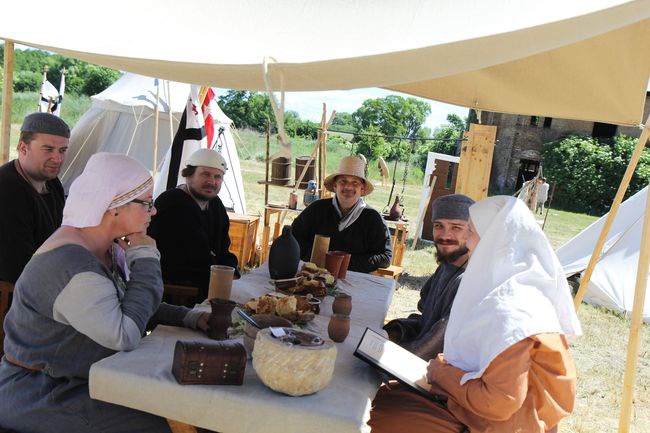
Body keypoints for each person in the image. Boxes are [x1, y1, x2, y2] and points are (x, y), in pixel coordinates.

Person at [0, 152, 210, 433]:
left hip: (73, 381)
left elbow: (127, 304)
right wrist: (146, 257)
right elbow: (123, 334)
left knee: (181, 405)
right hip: (41, 392)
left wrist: (189, 317)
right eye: (147, 203)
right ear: (114, 207)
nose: (154, 211)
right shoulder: (71, 265)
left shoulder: (102, 248)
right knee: (161, 425)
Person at [369, 196, 582, 433]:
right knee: (384, 400)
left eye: (469, 231)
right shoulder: (503, 288)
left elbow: (499, 403)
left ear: (494, 241)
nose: (465, 239)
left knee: (383, 414)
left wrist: (440, 372)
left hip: (504, 424)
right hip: (480, 409)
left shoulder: (514, 310)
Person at [383, 194, 474, 359]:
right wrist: (394, 332)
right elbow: (425, 323)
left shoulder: (468, 282)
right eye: (439, 225)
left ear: (472, 232)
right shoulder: (446, 268)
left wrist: (391, 360)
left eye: (456, 227)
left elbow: (436, 345)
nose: (445, 235)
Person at [148, 148, 239, 302]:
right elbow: (195, 257)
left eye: (218, 176)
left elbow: (223, 248)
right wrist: (224, 272)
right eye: (205, 174)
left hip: (208, 282)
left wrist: (230, 268)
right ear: (188, 175)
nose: (212, 181)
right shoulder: (172, 203)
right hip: (178, 293)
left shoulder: (215, 205)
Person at [0, 112, 70, 283]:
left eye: (62, 150)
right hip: (17, 294)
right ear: (23, 148)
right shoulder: (7, 188)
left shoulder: (52, 183)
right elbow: (16, 265)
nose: (58, 158)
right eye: (48, 149)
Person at [291, 155, 392, 273]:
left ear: (362, 188)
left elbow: (385, 257)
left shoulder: (372, 219)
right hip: (312, 276)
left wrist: (342, 263)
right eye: (343, 181)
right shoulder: (317, 209)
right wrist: (316, 257)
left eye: (355, 182)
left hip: (355, 282)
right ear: (335, 185)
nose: (348, 186)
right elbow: (293, 237)